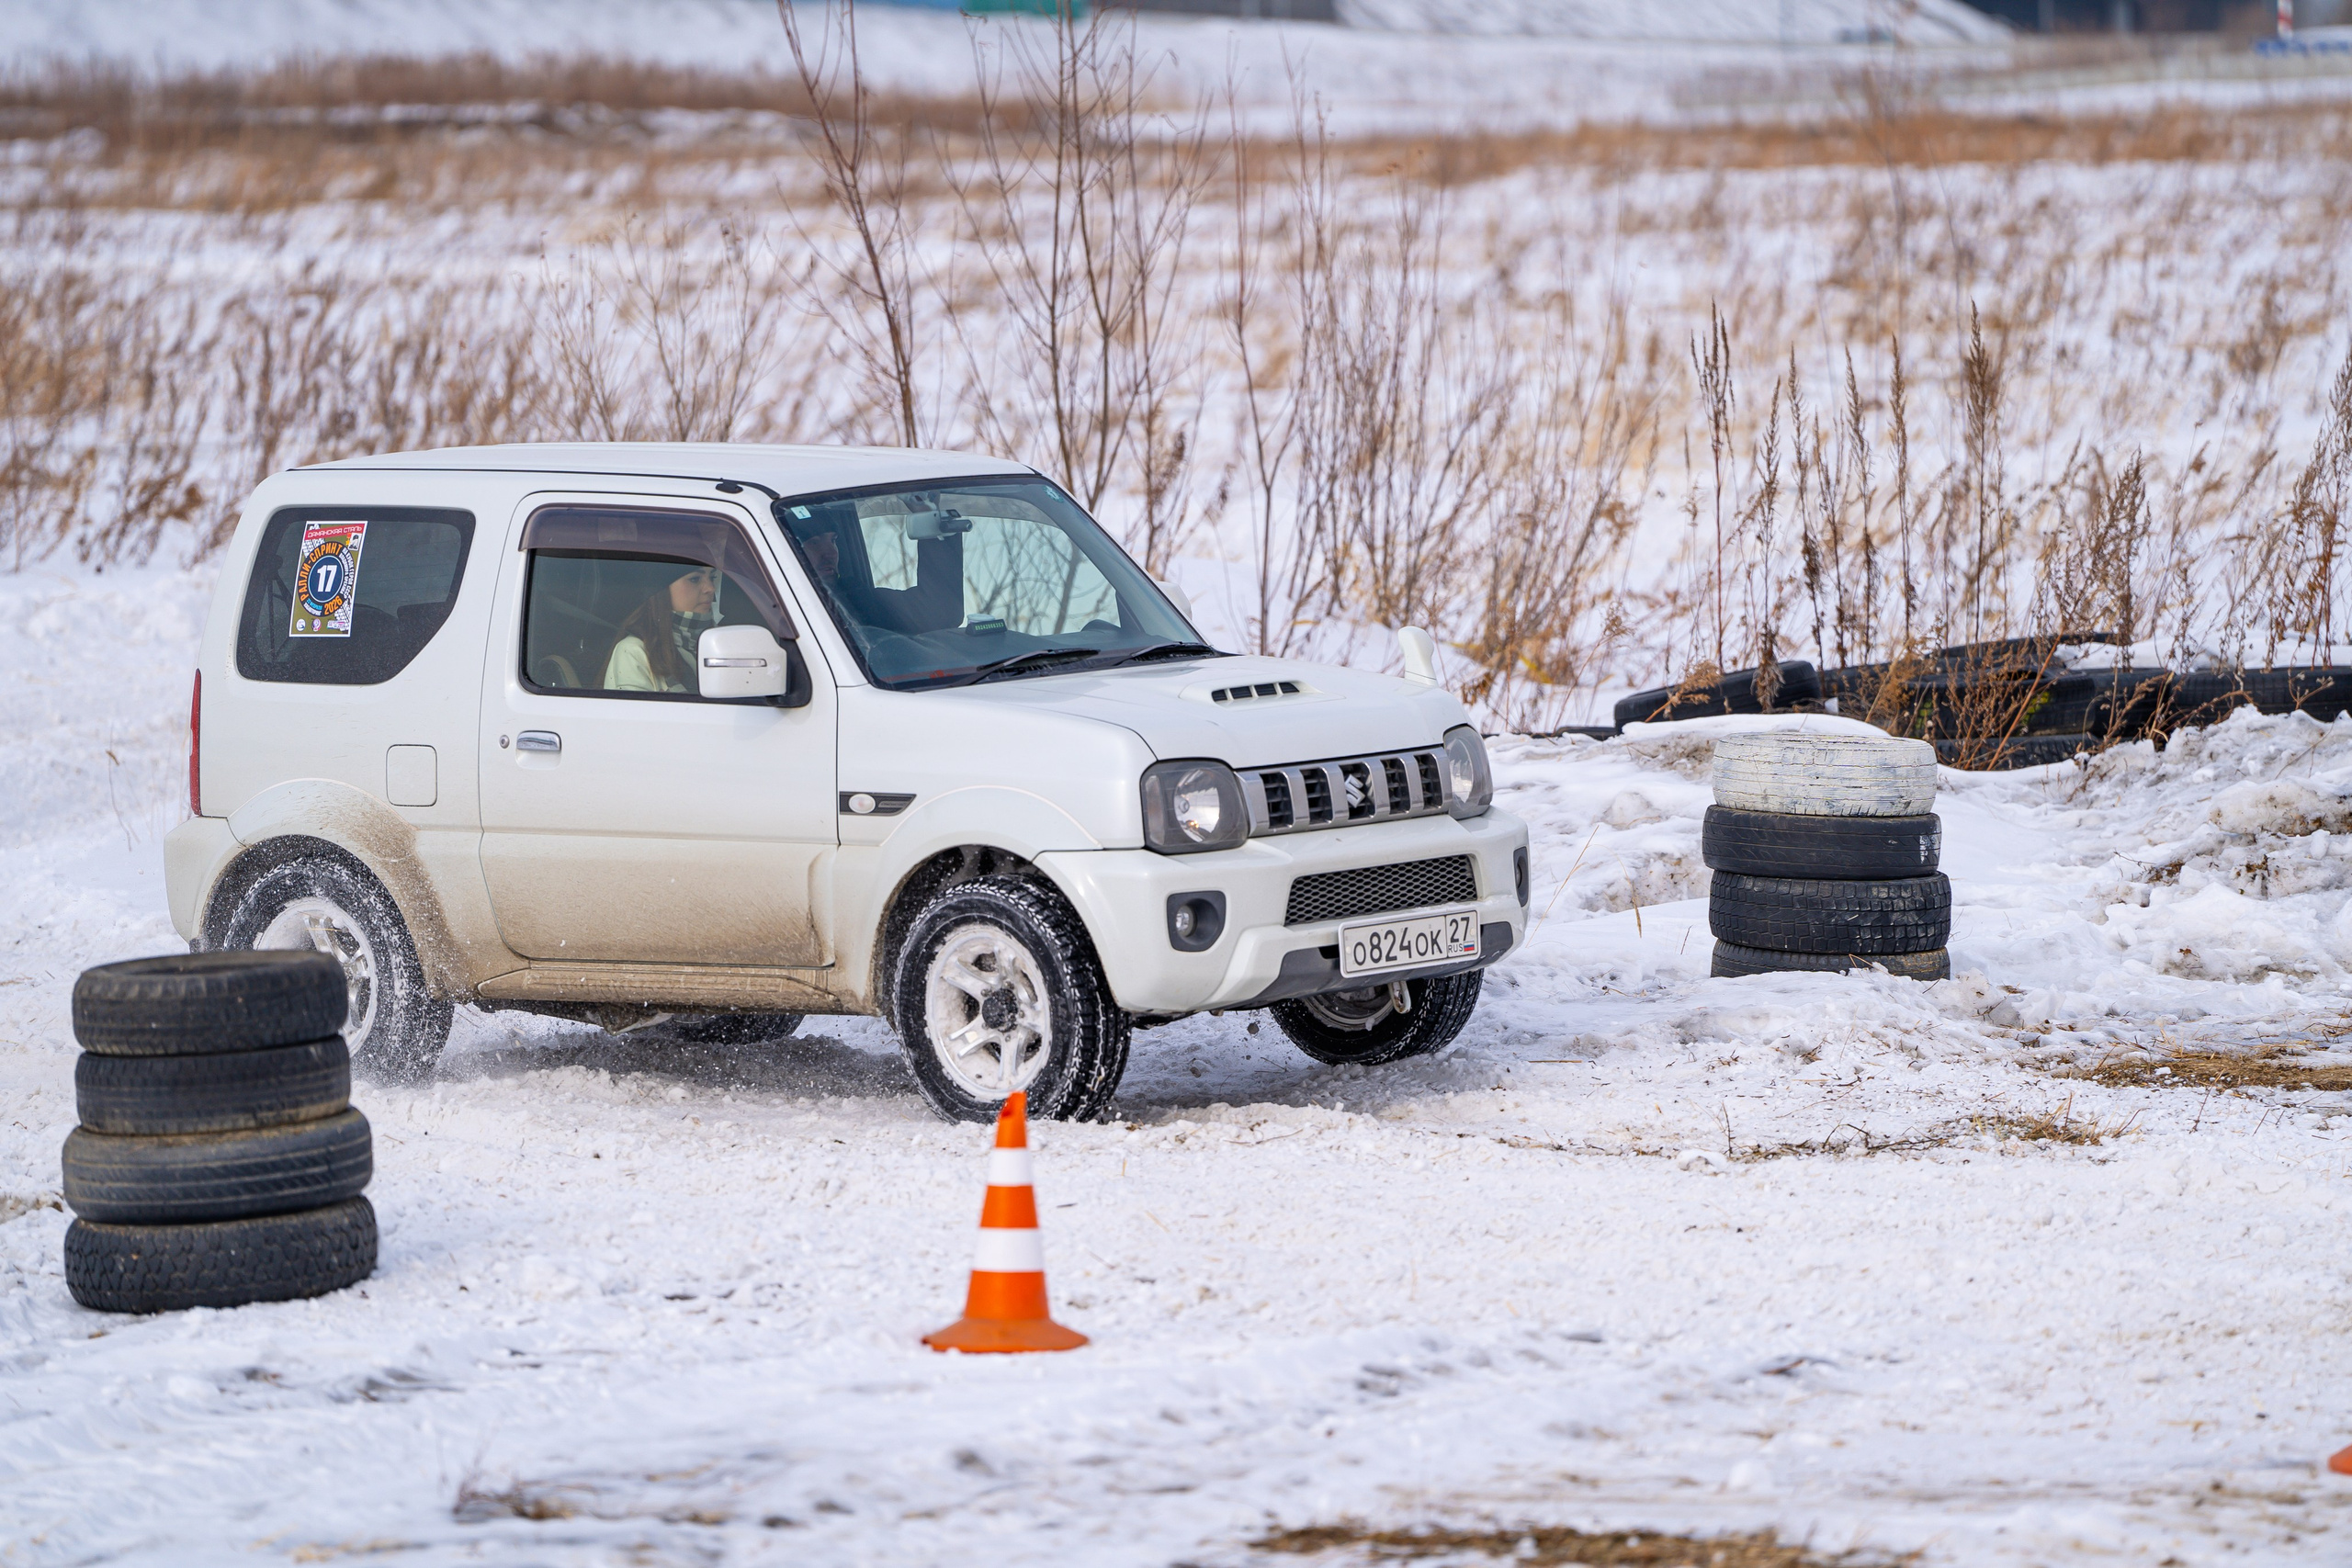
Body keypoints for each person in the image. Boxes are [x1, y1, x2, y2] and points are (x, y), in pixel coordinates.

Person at [604, 566, 717, 693]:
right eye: (695, 579)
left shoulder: (721, 646)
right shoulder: (634, 651)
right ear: (661, 589)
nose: (711, 588)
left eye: (712, 578)